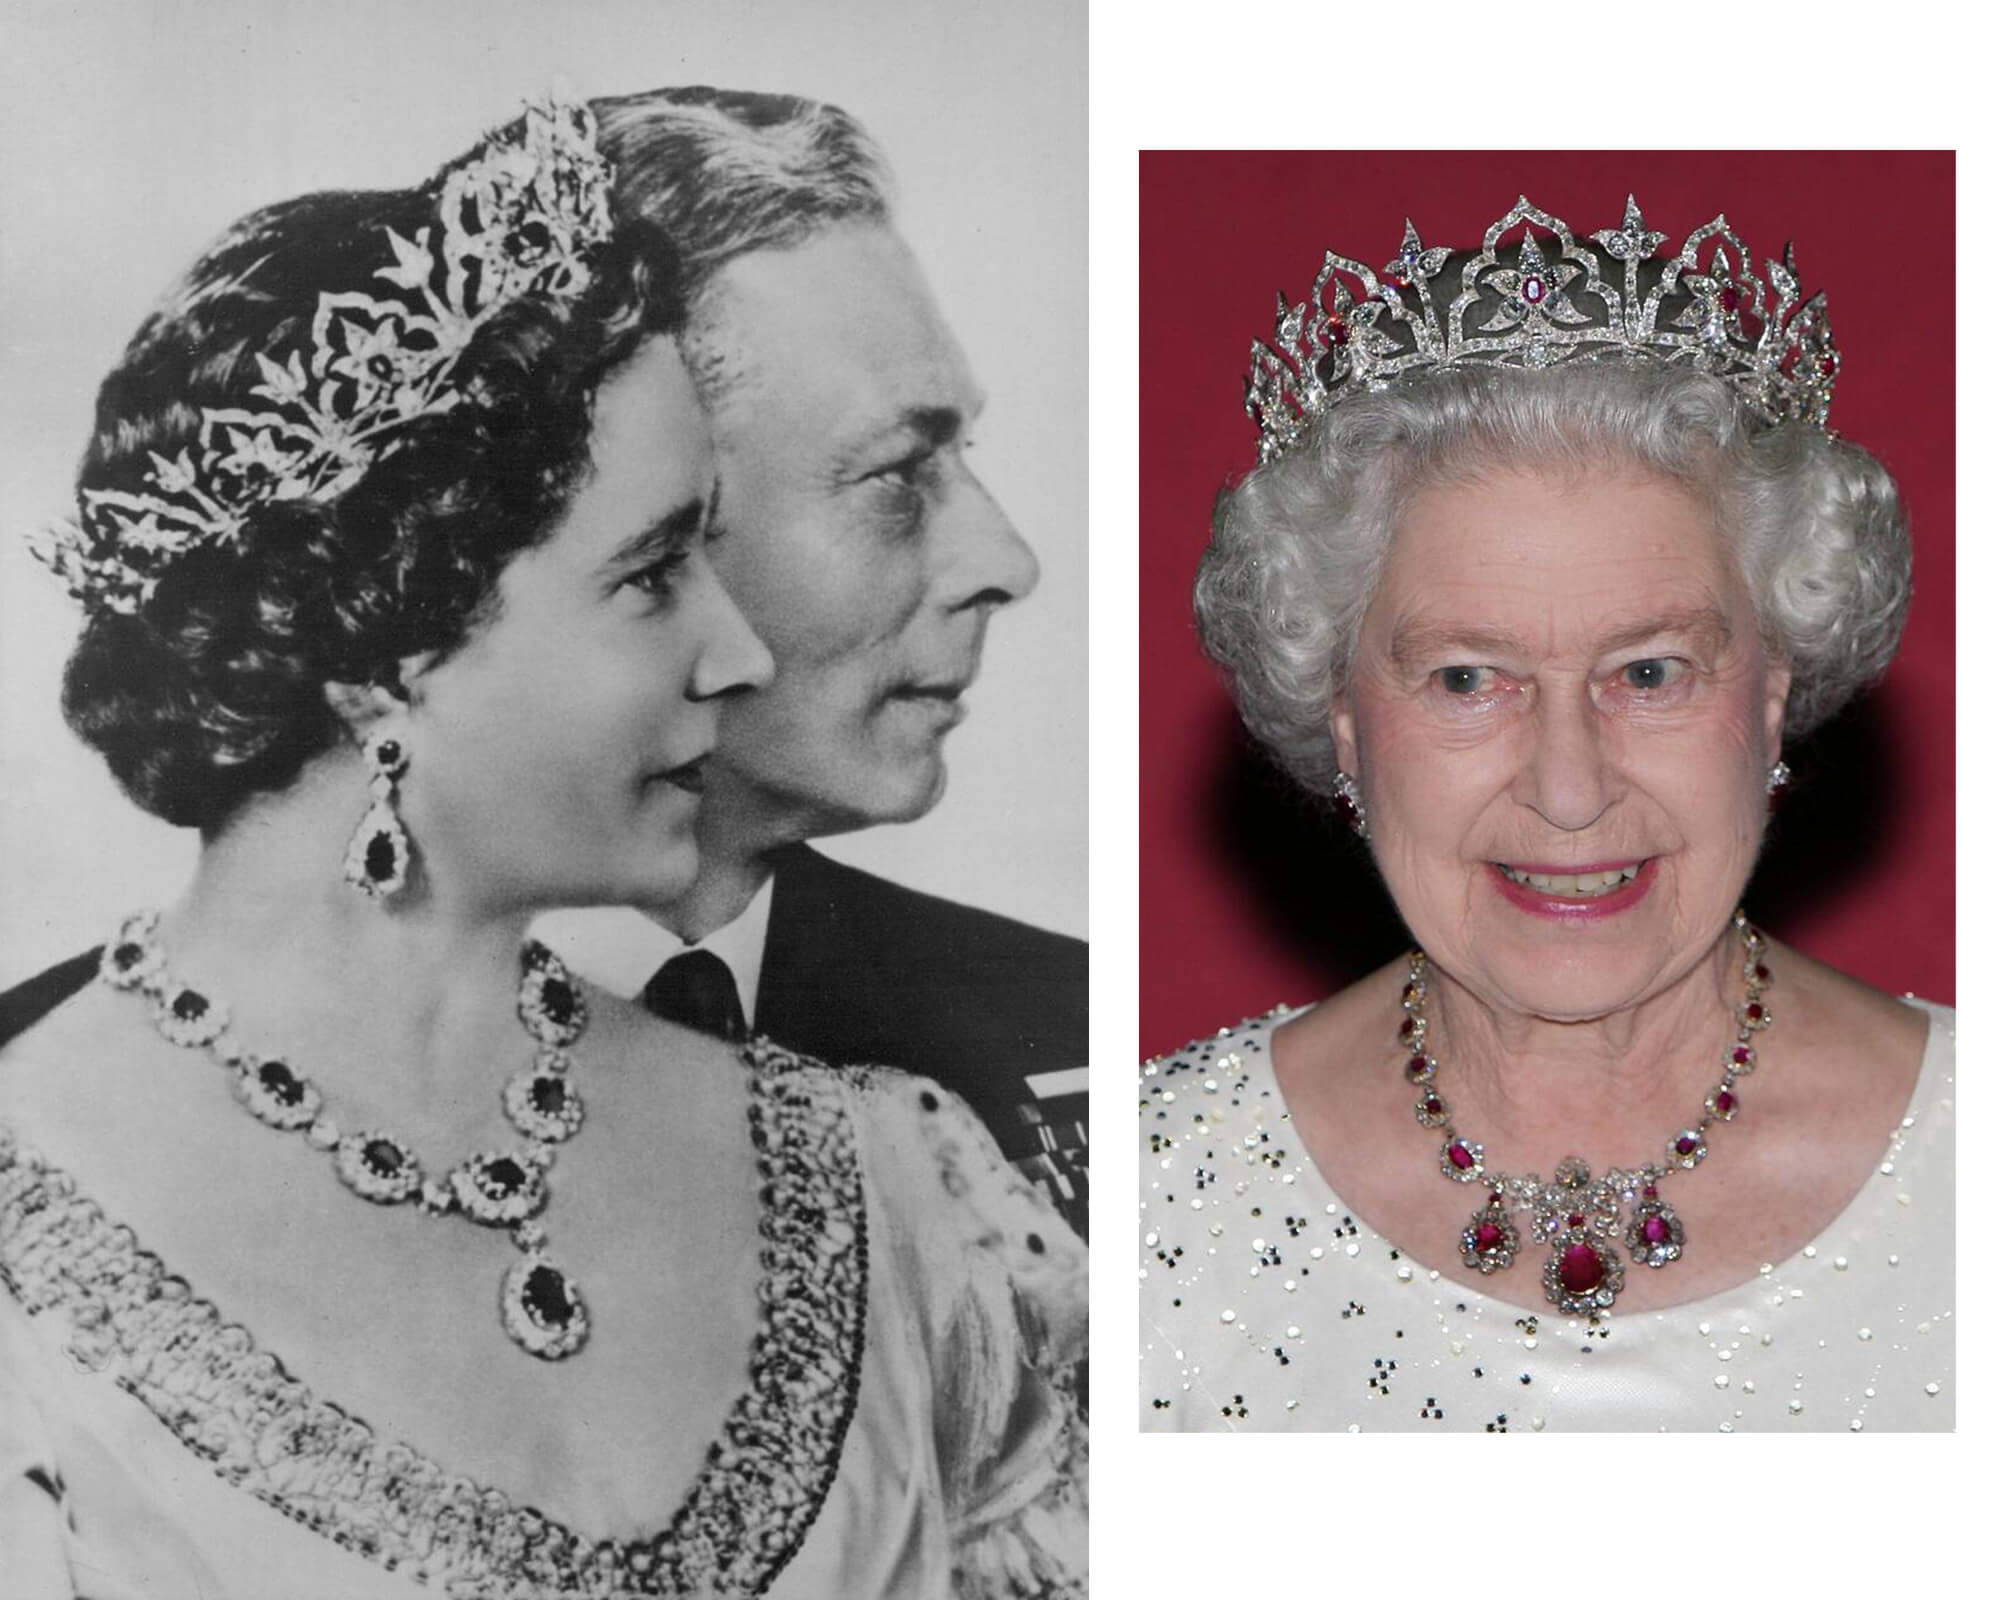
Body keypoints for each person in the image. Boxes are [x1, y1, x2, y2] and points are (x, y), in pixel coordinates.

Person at [0, 97, 1084, 1595]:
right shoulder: (34, 1201)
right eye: (651, 573)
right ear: (386, 645)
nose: (732, 649)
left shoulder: (893, 1168)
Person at [1138, 196, 1952, 1432]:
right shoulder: (1147, 1201)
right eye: (1467, 678)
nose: (1567, 790)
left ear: (1771, 700)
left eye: (1649, 673)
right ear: (1344, 719)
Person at [531, 89, 1089, 1236]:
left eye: (962, 454)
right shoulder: (129, 1092)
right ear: (627, 521)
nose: (1005, 561)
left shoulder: (1082, 1029)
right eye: (896, 471)